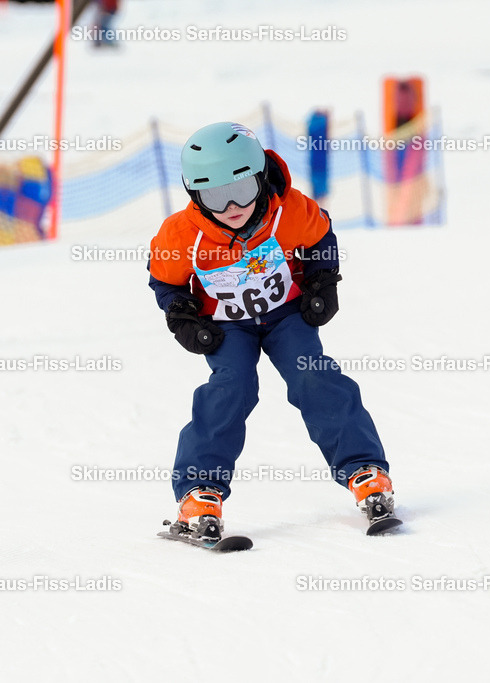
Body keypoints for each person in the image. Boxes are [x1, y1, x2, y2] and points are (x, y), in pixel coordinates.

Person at [147, 122, 395, 541]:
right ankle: (198, 493)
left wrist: (322, 281)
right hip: (226, 326)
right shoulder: (183, 234)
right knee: (231, 387)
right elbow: (165, 281)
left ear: (260, 178)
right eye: (214, 196)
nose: (231, 207)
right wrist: (181, 315)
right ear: (194, 194)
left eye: (241, 190)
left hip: (286, 315)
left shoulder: (289, 211)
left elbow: (321, 240)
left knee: (313, 375)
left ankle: (364, 471)